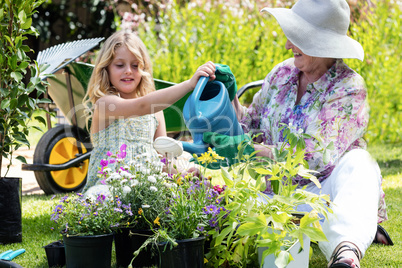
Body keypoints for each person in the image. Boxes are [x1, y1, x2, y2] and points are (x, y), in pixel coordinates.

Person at [203, 0, 391, 267]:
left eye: (298, 38)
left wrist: (250, 151)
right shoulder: (282, 73)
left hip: (324, 194)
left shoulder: (349, 87)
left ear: (322, 44)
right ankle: (354, 225)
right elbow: (250, 124)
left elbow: (315, 158)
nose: (288, 45)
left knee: (360, 162)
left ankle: (345, 253)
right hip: (271, 195)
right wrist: (229, 97)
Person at [82, 30, 215, 191]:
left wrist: (185, 176)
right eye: (119, 65)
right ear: (106, 68)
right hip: (109, 189)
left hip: (145, 192)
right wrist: (188, 85)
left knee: (197, 192)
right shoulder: (105, 104)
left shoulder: (155, 112)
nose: (128, 71)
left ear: (143, 68)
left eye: (135, 65)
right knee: (100, 194)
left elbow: (163, 160)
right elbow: (141, 106)